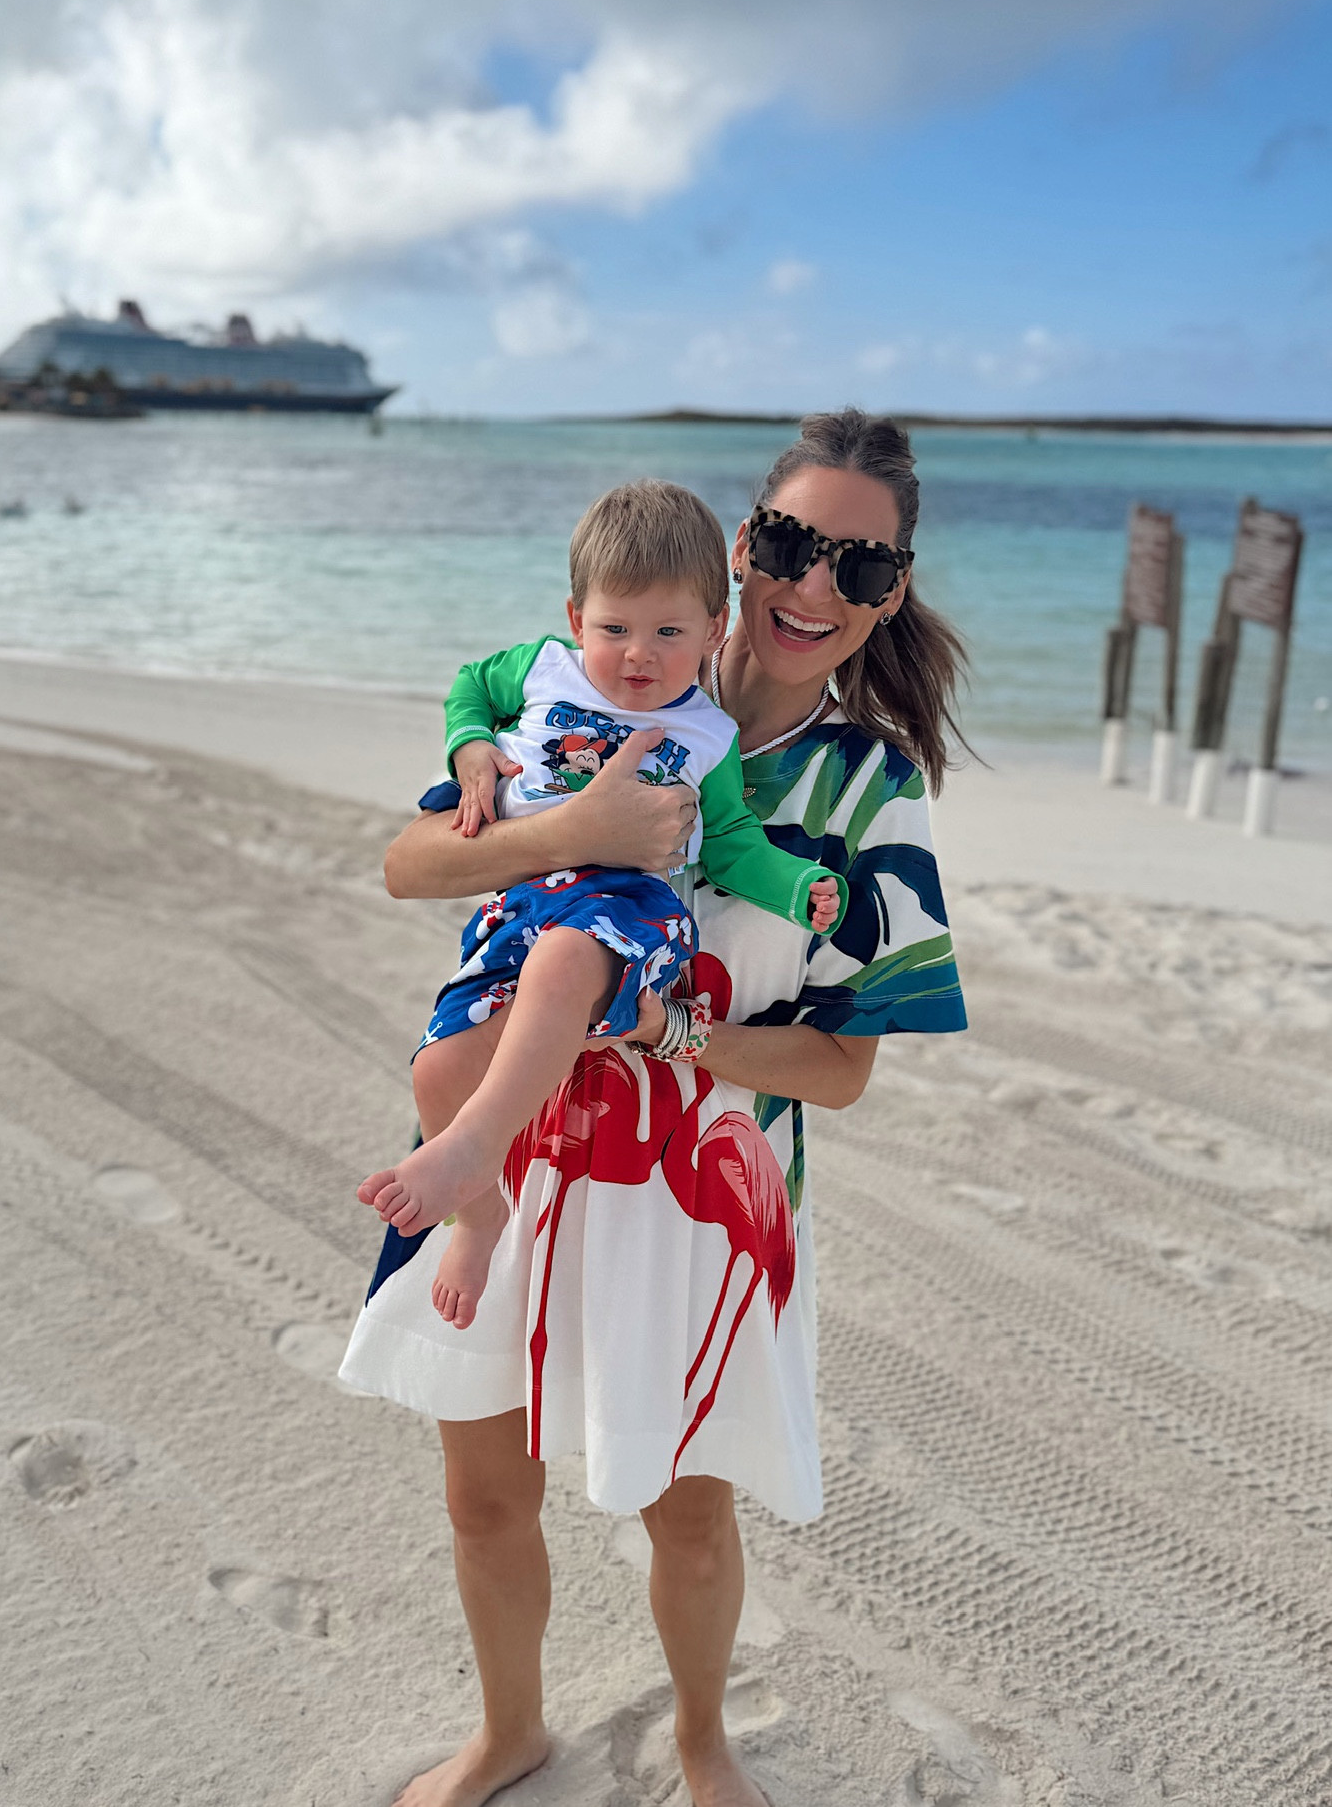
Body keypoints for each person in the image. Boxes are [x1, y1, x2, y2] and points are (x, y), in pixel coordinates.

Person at [340, 410, 970, 1807]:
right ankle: (509, 1729)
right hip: (499, 1163)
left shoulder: (873, 792)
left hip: (702, 1205)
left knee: (687, 1521)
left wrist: (669, 1030)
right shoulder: (587, 683)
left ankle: (701, 1741)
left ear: (892, 591)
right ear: (747, 544)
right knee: (481, 1494)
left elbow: (843, 1065)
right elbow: (404, 865)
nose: (815, 588)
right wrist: (565, 833)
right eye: (797, 546)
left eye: (860, 568)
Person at [357, 479, 846, 1332]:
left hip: (626, 908)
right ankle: (481, 1212)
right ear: (576, 617)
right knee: (435, 1069)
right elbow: (469, 686)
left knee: (564, 962)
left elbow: (729, 840)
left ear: (712, 632)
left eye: (668, 633)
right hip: (519, 902)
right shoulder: (541, 668)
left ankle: (475, 1145)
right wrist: (470, 747)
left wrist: (797, 888)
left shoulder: (706, 734)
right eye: (615, 629)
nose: (638, 656)